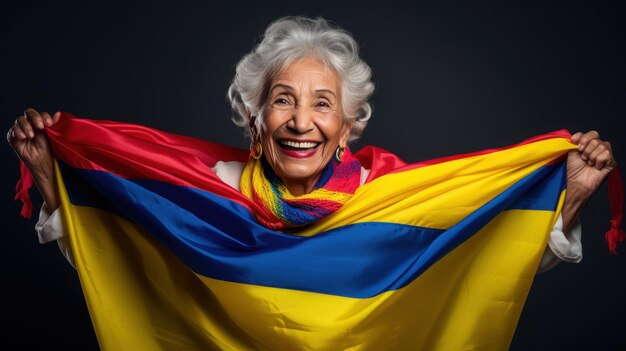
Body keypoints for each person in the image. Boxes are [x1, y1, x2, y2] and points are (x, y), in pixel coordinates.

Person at [6, 16, 618, 349]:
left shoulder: (389, 196)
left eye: (323, 104)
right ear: (254, 117)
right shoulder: (203, 193)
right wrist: (47, 172)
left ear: (348, 124)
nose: (302, 122)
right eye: (283, 101)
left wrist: (572, 196)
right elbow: (117, 255)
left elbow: (485, 259)